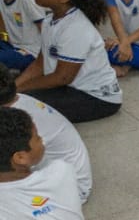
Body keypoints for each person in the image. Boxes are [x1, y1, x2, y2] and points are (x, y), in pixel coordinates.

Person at [13, 0, 122, 123]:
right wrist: (14, 87)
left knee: (21, 105)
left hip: (97, 98)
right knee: (15, 94)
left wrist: (21, 90)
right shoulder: (50, 20)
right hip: (70, 88)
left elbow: (62, 77)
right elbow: (40, 63)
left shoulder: (76, 27)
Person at [0, 66, 91, 201]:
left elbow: (16, 162)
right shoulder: (17, 102)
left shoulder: (15, 124)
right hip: (56, 174)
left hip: (70, 189)